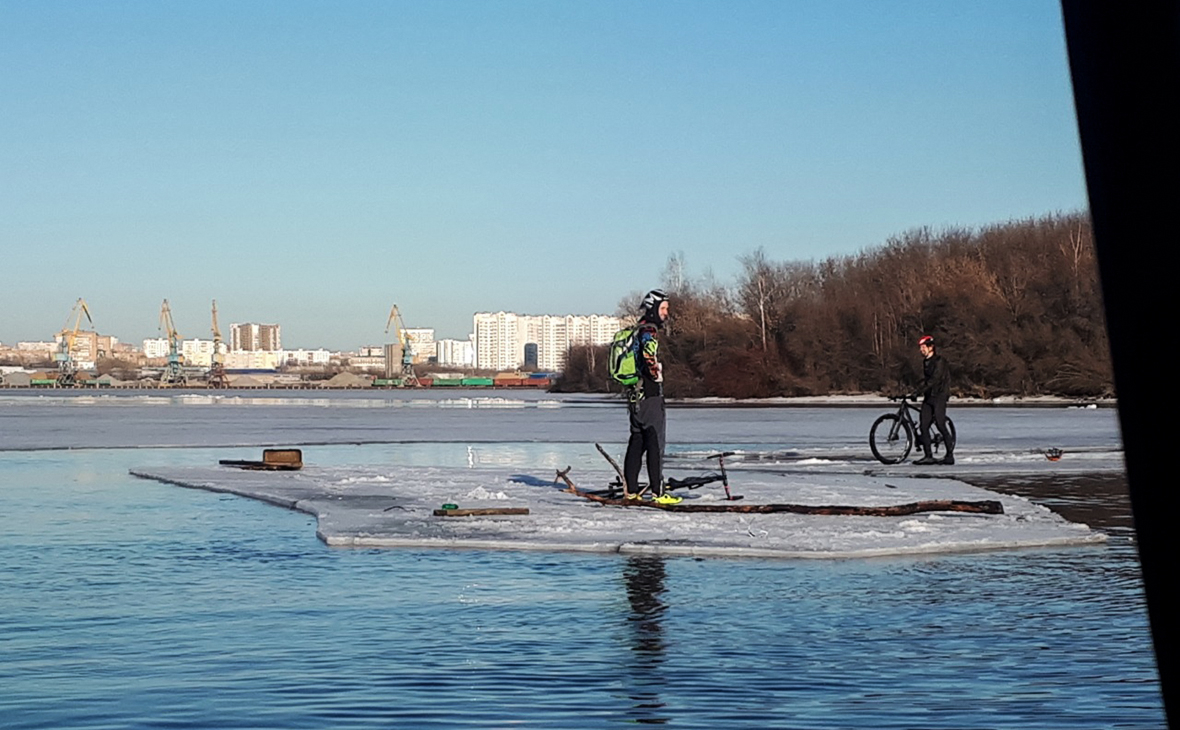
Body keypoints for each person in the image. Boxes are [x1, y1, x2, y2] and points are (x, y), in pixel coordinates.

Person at [623, 289, 681, 504]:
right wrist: (655, 373)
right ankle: (658, 492)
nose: (666, 313)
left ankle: (630, 491)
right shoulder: (649, 330)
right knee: (655, 440)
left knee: (637, 440)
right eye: (664, 308)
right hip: (649, 394)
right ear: (653, 308)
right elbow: (649, 355)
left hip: (633, 395)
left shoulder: (636, 329)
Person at [914, 334, 954, 465]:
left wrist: (920, 391)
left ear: (931, 347)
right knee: (923, 425)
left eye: (923, 347)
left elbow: (935, 380)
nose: (921, 350)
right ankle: (928, 456)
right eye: (920, 348)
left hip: (939, 396)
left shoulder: (939, 361)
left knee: (940, 424)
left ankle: (949, 455)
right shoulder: (925, 361)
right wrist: (915, 389)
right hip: (929, 396)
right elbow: (926, 380)